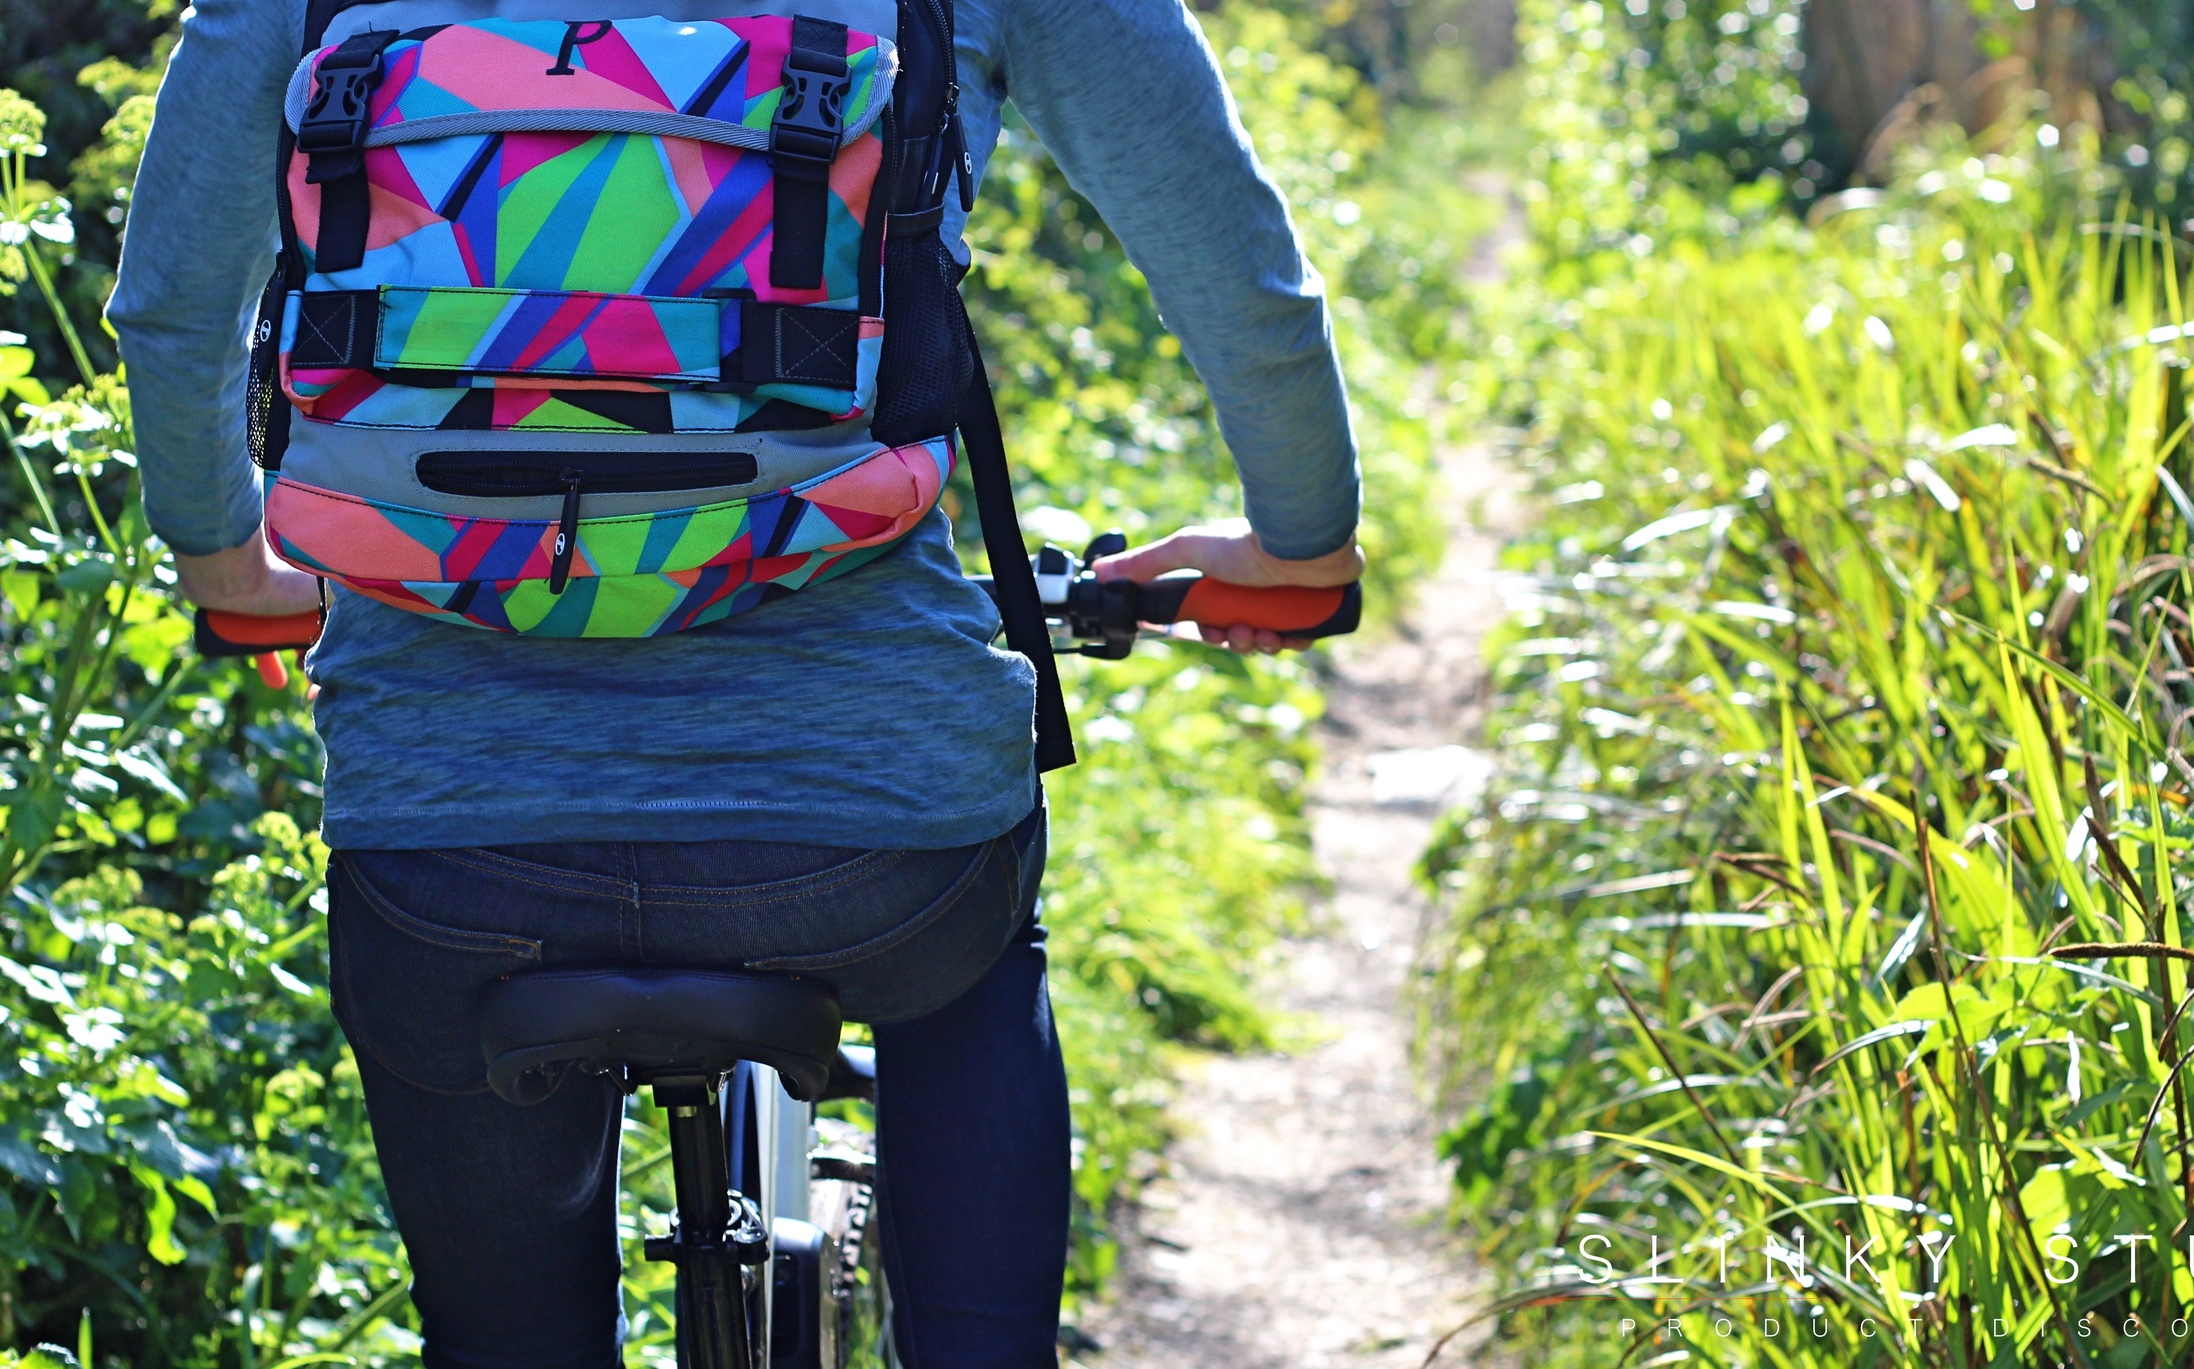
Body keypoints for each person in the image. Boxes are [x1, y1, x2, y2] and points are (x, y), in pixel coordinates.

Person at [108, 0, 1364, 1363]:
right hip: (877, 842)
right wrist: (1301, 544)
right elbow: (1232, 262)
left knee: (504, 1335)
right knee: (970, 964)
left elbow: (174, 306)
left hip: (450, 845)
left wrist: (232, 567)